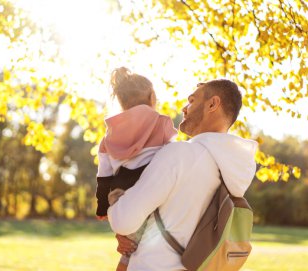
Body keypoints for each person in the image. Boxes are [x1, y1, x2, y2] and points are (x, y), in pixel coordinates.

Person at [108, 79, 258, 271]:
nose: (184, 108)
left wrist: (113, 207)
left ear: (213, 104)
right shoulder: (233, 170)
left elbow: (124, 221)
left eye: (192, 101)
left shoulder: (180, 154)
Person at [95, 67, 177, 270]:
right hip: (153, 198)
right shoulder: (162, 123)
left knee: (128, 253)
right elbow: (174, 158)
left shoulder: (107, 137)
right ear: (152, 97)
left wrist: (103, 207)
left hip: (121, 200)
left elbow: (103, 177)